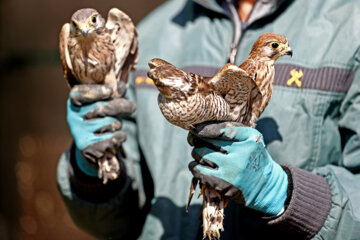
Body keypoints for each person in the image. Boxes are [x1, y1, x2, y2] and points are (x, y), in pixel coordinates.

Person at [56, 0, 360, 239]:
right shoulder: (151, 32)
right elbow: (112, 223)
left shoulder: (350, 26)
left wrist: (286, 193)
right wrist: (91, 171)